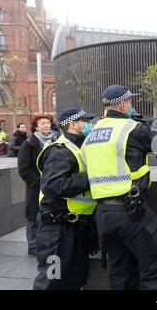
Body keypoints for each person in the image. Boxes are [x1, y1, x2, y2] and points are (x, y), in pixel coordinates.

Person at [82, 85, 157, 290]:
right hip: (131, 213)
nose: (132, 105)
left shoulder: (91, 135)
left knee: (119, 270)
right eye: (130, 102)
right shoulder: (131, 128)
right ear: (123, 104)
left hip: (103, 215)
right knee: (154, 269)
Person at [33, 108, 97, 290]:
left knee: (75, 280)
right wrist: (92, 178)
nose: (90, 125)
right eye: (86, 121)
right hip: (56, 228)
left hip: (77, 226)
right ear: (73, 124)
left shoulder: (80, 147)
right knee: (51, 281)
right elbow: (53, 184)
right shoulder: (60, 151)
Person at [18, 114, 56, 256]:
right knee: (33, 217)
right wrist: (39, 182)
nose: (46, 125)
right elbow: (23, 169)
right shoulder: (28, 144)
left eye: (48, 123)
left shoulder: (55, 140)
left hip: (52, 186)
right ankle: (33, 246)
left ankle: (45, 242)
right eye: (42, 123)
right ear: (36, 127)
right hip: (36, 187)